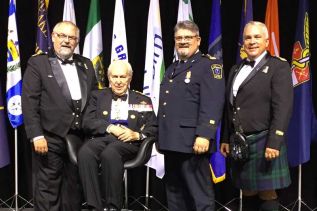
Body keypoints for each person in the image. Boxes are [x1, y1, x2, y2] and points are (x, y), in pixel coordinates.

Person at [22, 21, 97, 211]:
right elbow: (29, 101)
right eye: (62, 36)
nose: (66, 41)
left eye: (71, 37)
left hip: (79, 139)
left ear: (77, 41)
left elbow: (95, 99)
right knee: (48, 189)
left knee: (74, 190)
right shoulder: (38, 63)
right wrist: (36, 135)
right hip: (49, 137)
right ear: (53, 37)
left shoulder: (86, 64)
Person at [220, 21, 293, 211]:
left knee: (267, 191)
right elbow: (229, 107)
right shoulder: (235, 69)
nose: (252, 41)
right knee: (248, 190)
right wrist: (227, 138)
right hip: (240, 140)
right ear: (243, 43)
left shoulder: (278, 67)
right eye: (248, 37)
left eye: (257, 37)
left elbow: (283, 107)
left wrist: (274, 141)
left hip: (264, 139)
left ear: (266, 41)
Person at [157, 20, 225, 211]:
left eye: (188, 37)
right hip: (171, 142)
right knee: (175, 195)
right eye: (179, 38)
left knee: (200, 196)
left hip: (192, 142)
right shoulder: (172, 69)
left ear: (198, 40)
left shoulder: (209, 66)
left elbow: (213, 102)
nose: (183, 41)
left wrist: (204, 134)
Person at [78, 60, 157, 211]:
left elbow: (153, 126)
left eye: (123, 77)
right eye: (115, 77)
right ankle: (94, 206)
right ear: (109, 78)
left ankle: (113, 206)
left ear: (130, 78)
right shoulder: (97, 96)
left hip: (128, 143)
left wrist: (137, 135)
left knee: (111, 153)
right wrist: (109, 127)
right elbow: (87, 122)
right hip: (103, 137)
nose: (119, 81)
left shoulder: (142, 100)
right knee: (85, 152)